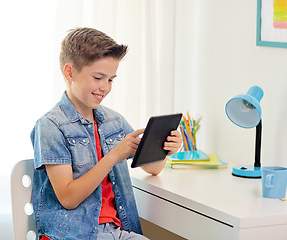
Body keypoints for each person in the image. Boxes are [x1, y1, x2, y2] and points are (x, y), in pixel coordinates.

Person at [30, 27, 182, 240]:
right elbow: (68, 198)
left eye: (110, 79)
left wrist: (165, 149)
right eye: (98, 77)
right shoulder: (51, 125)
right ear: (69, 72)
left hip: (116, 232)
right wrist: (113, 157)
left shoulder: (113, 121)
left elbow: (153, 168)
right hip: (73, 235)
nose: (105, 87)